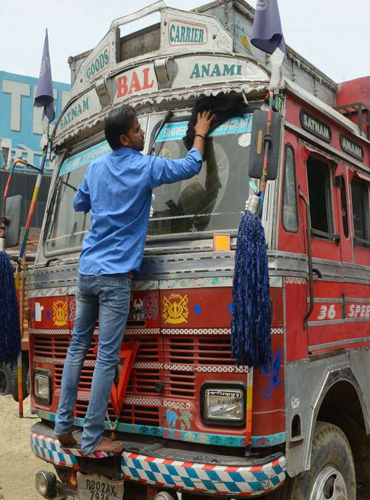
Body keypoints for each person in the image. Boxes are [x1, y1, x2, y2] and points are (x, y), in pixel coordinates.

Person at [54, 104, 214, 454]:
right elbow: (190, 165)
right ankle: (94, 439)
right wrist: (200, 132)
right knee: (106, 357)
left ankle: (64, 426)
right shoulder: (144, 167)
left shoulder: (95, 168)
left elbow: (80, 204)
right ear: (125, 138)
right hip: (114, 279)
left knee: (77, 348)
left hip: (87, 272)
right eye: (139, 130)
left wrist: (103, 197)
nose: (144, 134)